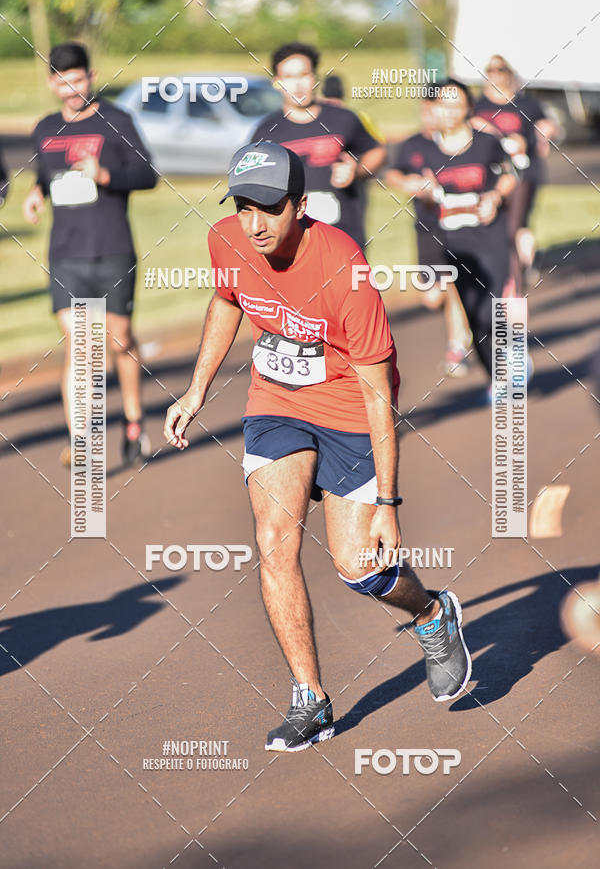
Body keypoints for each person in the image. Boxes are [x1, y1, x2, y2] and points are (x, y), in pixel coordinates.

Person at [164, 142, 472, 752]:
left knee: (358, 566)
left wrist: (388, 503)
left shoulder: (344, 266)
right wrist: (196, 391)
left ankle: (432, 614)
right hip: (275, 404)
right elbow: (226, 301)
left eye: (268, 208)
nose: (253, 223)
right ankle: (311, 699)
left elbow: (379, 394)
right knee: (273, 542)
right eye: (243, 206)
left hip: (349, 407)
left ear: (300, 206)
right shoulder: (227, 240)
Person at [23, 41, 157, 466]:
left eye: (78, 80)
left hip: (113, 249)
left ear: (91, 77)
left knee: (119, 341)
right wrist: (36, 193)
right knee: (79, 343)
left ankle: (133, 422)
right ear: (51, 83)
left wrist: (105, 175)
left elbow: (148, 174)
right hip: (66, 253)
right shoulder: (44, 129)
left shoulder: (117, 121)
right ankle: (80, 437)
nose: (71, 90)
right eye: (62, 82)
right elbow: (46, 175)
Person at [406, 80, 517, 395]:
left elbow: (510, 175)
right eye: (444, 104)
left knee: (488, 310)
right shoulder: (425, 149)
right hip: (454, 244)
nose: (450, 111)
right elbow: (402, 177)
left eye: (456, 104)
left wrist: (495, 196)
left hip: (490, 238)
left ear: (468, 107)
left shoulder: (487, 143)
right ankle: (497, 379)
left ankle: (510, 355)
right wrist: (422, 190)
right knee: (473, 317)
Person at [251, 42, 386, 252]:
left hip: (345, 239)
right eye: (289, 77)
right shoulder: (266, 131)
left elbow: (376, 151)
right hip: (291, 244)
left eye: (304, 74)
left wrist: (357, 171)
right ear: (276, 82)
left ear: (315, 77)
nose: (298, 84)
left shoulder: (344, 118)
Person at [386, 91, 473, 377]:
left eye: (434, 110)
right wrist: (410, 183)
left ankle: (457, 346)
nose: (430, 116)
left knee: (452, 281)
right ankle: (466, 323)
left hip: (459, 226)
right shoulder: (412, 144)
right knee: (433, 296)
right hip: (426, 227)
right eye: (425, 110)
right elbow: (393, 174)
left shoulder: (459, 142)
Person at [473, 56, 557, 291]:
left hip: (523, 172)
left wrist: (545, 132)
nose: (495, 75)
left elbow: (546, 127)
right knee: (498, 229)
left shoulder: (526, 104)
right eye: (490, 70)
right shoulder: (478, 106)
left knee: (514, 228)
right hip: (491, 175)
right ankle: (502, 275)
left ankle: (516, 287)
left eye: (500, 70)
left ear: (509, 73)